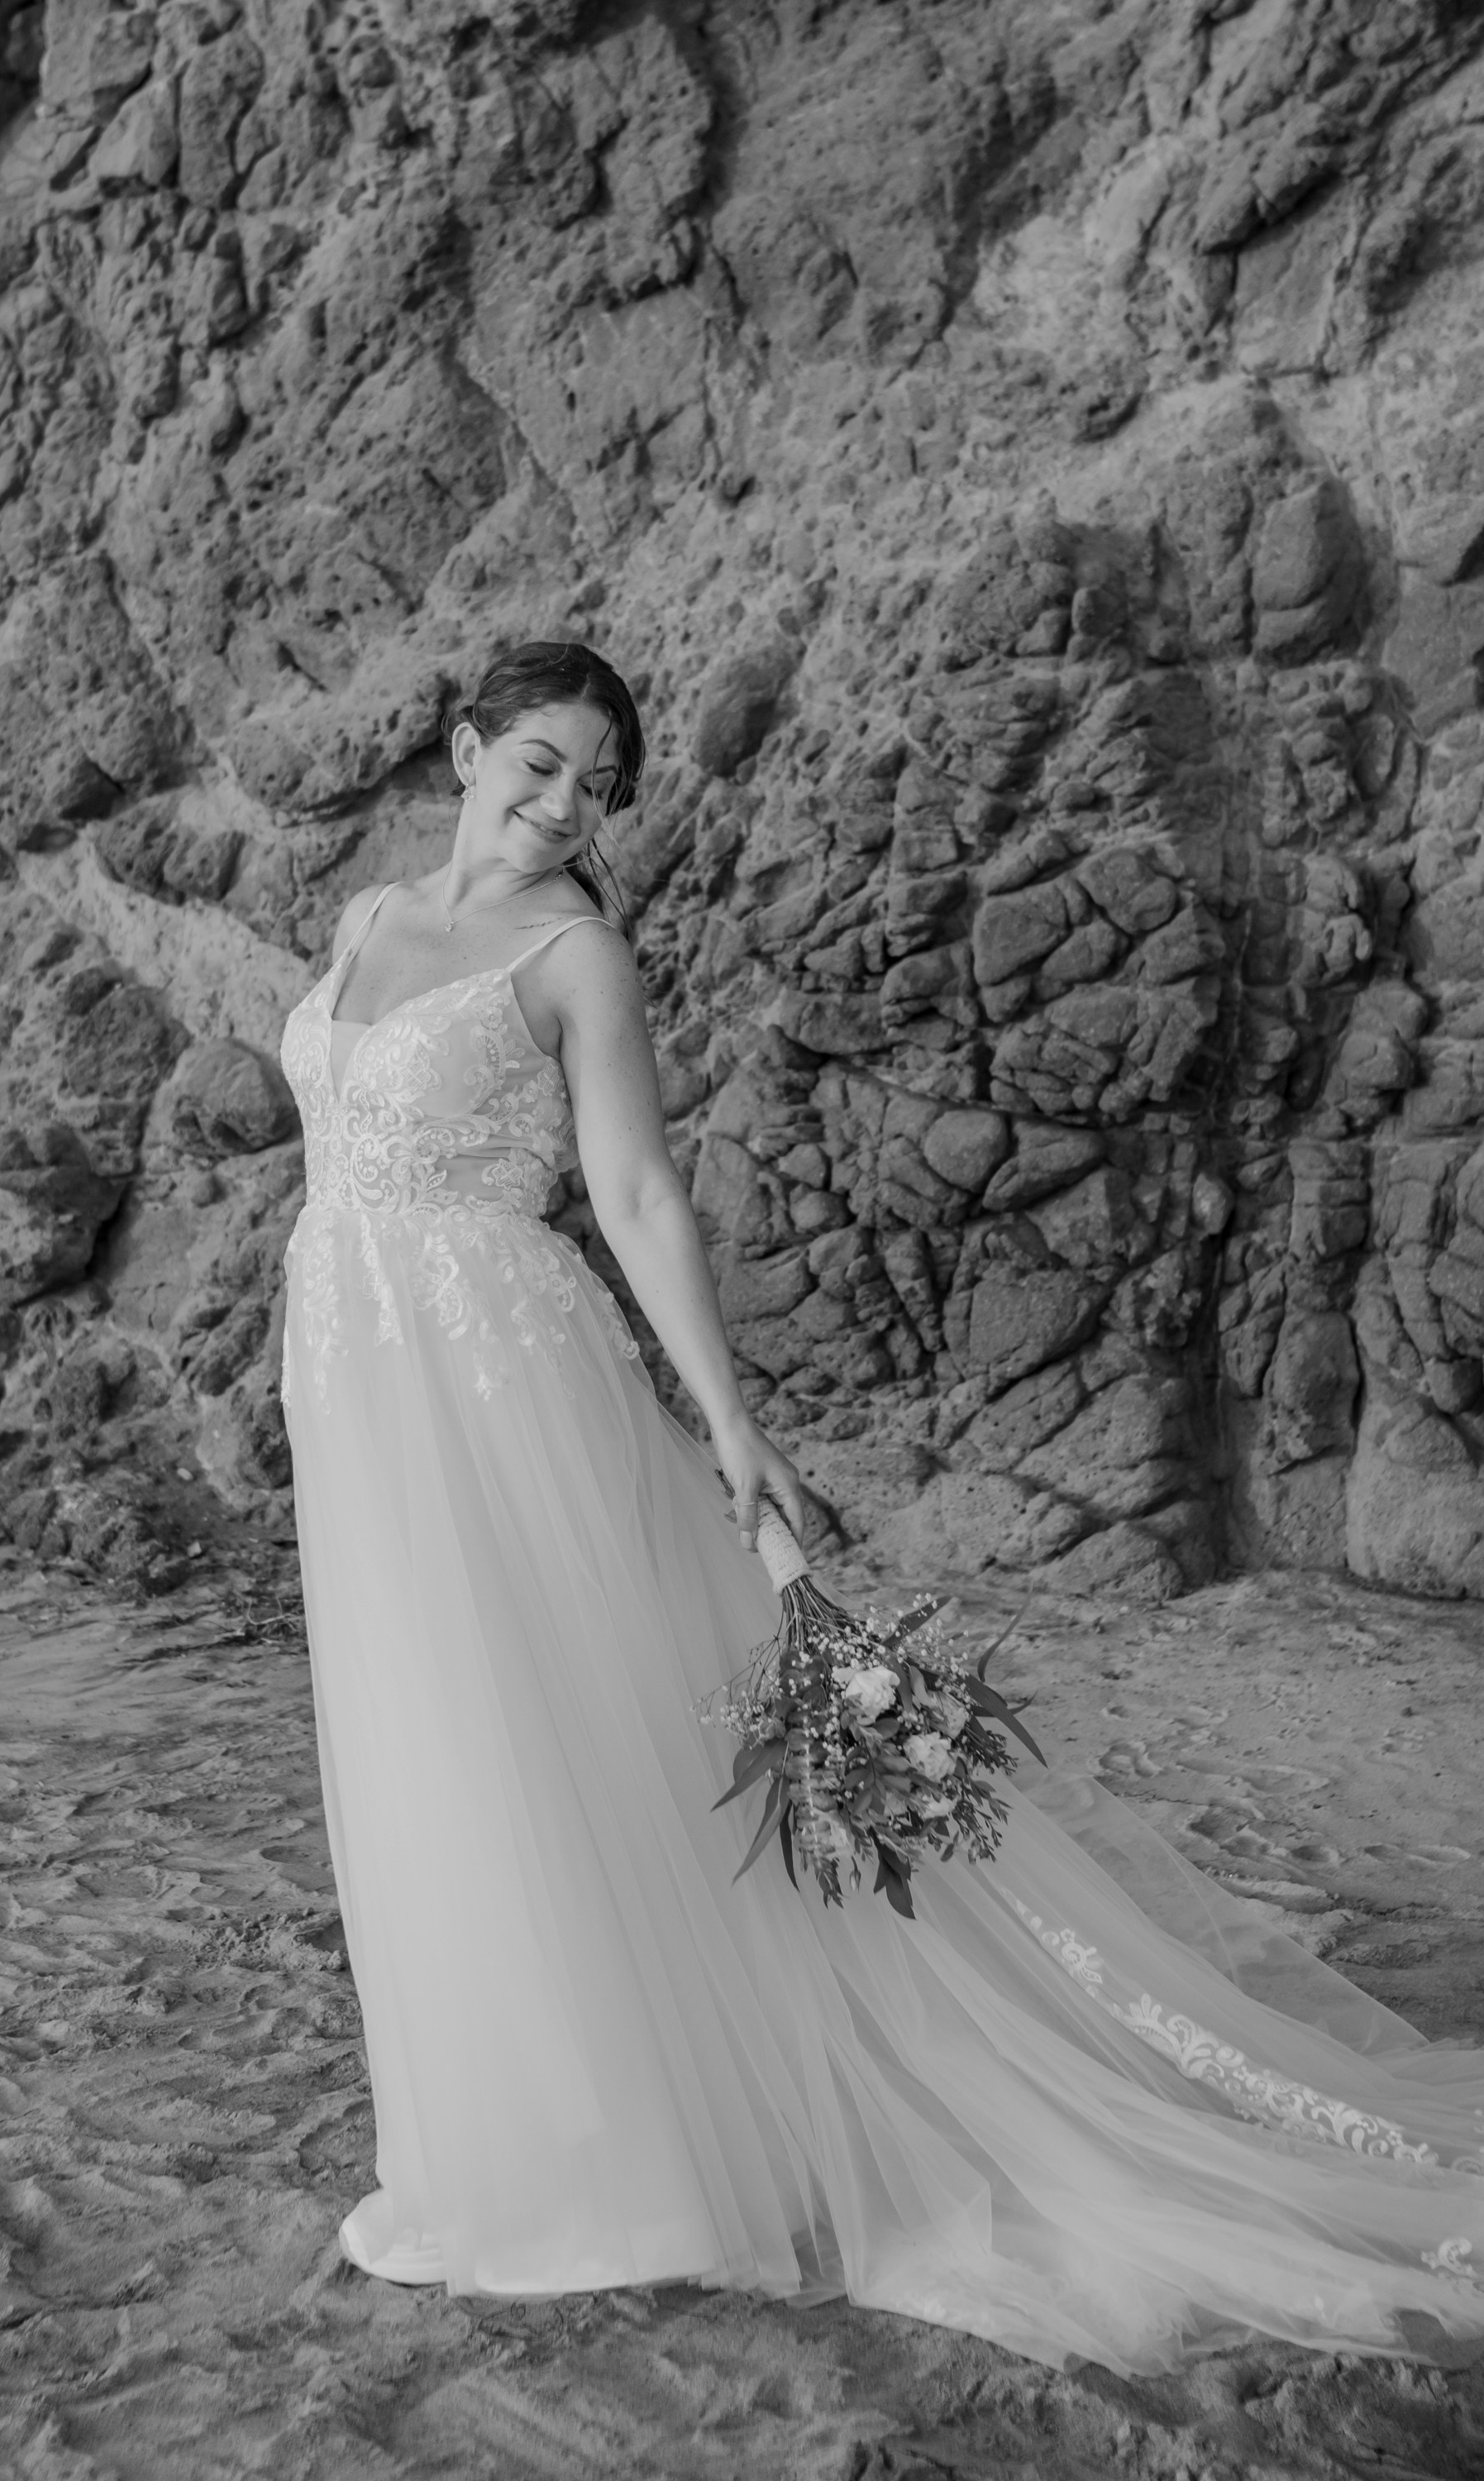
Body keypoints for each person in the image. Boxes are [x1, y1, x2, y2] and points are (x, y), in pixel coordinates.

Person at [278, 640, 1484, 2375]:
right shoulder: (371, 921)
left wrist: (728, 1423)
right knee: (418, 1738)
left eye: (594, 788)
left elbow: (631, 1193)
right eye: (535, 766)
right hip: (361, 1373)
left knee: (529, 1735)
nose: (559, 809)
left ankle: (604, 2162)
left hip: (491, 1375)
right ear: (465, 748)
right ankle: (472, 2144)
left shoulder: (572, 954)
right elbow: (340, 1154)